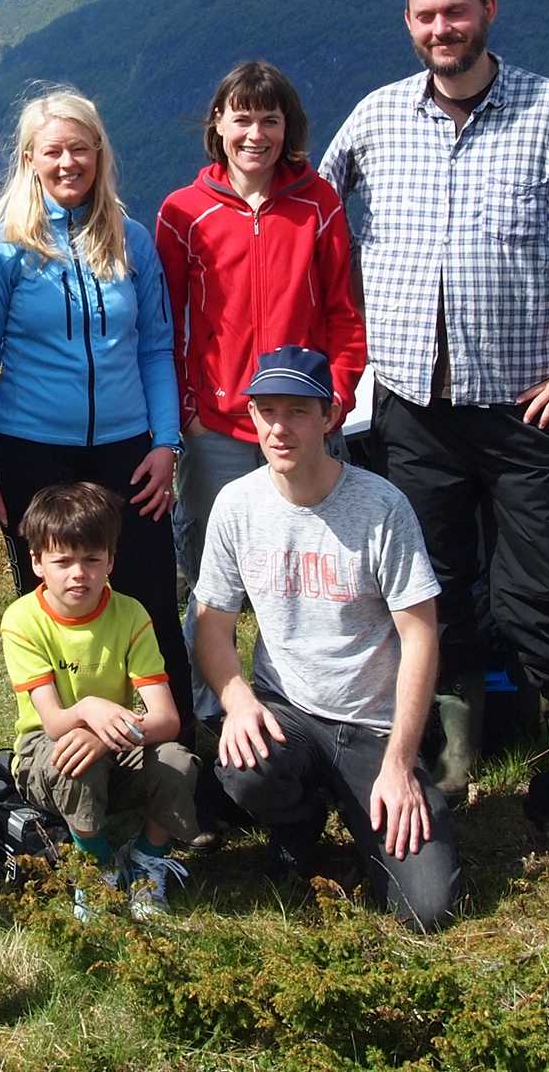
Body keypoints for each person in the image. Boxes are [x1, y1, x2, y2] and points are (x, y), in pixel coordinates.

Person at [317, 0, 549, 791]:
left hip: (523, 403)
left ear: (488, 11)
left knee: (547, 574)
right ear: (408, 24)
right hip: (409, 402)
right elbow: (309, 218)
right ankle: (456, 737)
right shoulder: (379, 116)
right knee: (436, 575)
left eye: (455, 13)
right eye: (426, 17)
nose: (441, 31)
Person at [191, 346, 458, 931]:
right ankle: (299, 821)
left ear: (330, 416)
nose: (278, 428)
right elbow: (212, 622)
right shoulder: (237, 505)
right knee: (241, 769)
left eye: (297, 411)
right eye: (265, 411)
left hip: (375, 728)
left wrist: (399, 763)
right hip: (290, 714)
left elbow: (421, 637)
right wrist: (237, 704)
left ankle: (378, 802)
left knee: (429, 908)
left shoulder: (382, 507)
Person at [0, 87, 189, 738]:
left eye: (80, 149)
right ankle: (65, 769)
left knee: (149, 606)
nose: (68, 162)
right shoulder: (2, 249)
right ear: (30, 158)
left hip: (127, 451)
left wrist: (165, 443)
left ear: (99, 154)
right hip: (30, 452)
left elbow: (155, 346)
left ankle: (175, 770)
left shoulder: (131, 241)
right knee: (54, 611)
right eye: (53, 150)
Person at [155, 61, 365, 726]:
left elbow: (344, 313)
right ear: (217, 125)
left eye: (269, 119)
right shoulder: (183, 213)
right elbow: (165, 322)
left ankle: (297, 708)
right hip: (215, 427)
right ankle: (209, 719)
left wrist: (339, 391)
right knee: (213, 582)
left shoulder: (318, 203)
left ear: (287, 127)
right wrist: (186, 410)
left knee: (304, 569)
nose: (256, 133)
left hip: (305, 419)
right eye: (242, 117)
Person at [0, 482, 198, 916]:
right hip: (45, 750)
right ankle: (96, 866)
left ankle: (148, 859)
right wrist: (90, 709)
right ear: (36, 562)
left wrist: (107, 737)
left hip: (119, 740)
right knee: (76, 760)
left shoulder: (131, 614)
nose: (78, 573)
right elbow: (52, 722)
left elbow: (166, 719)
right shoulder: (22, 619)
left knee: (178, 762)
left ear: (111, 559)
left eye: (91, 559)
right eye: (63, 561)